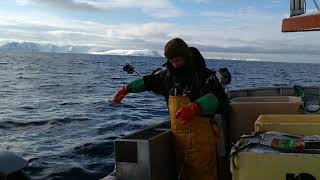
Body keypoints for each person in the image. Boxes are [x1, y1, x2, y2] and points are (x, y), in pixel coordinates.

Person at [112, 38, 227, 180]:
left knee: (204, 174)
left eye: (178, 60)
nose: (175, 64)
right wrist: (127, 89)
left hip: (202, 140)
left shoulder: (205, 76)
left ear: (186, 57)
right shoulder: (167, 76)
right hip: (179, 140)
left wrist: (196, 107)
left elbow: (219, 99)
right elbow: (148, 82)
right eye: (172, 61)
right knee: (183, 173)